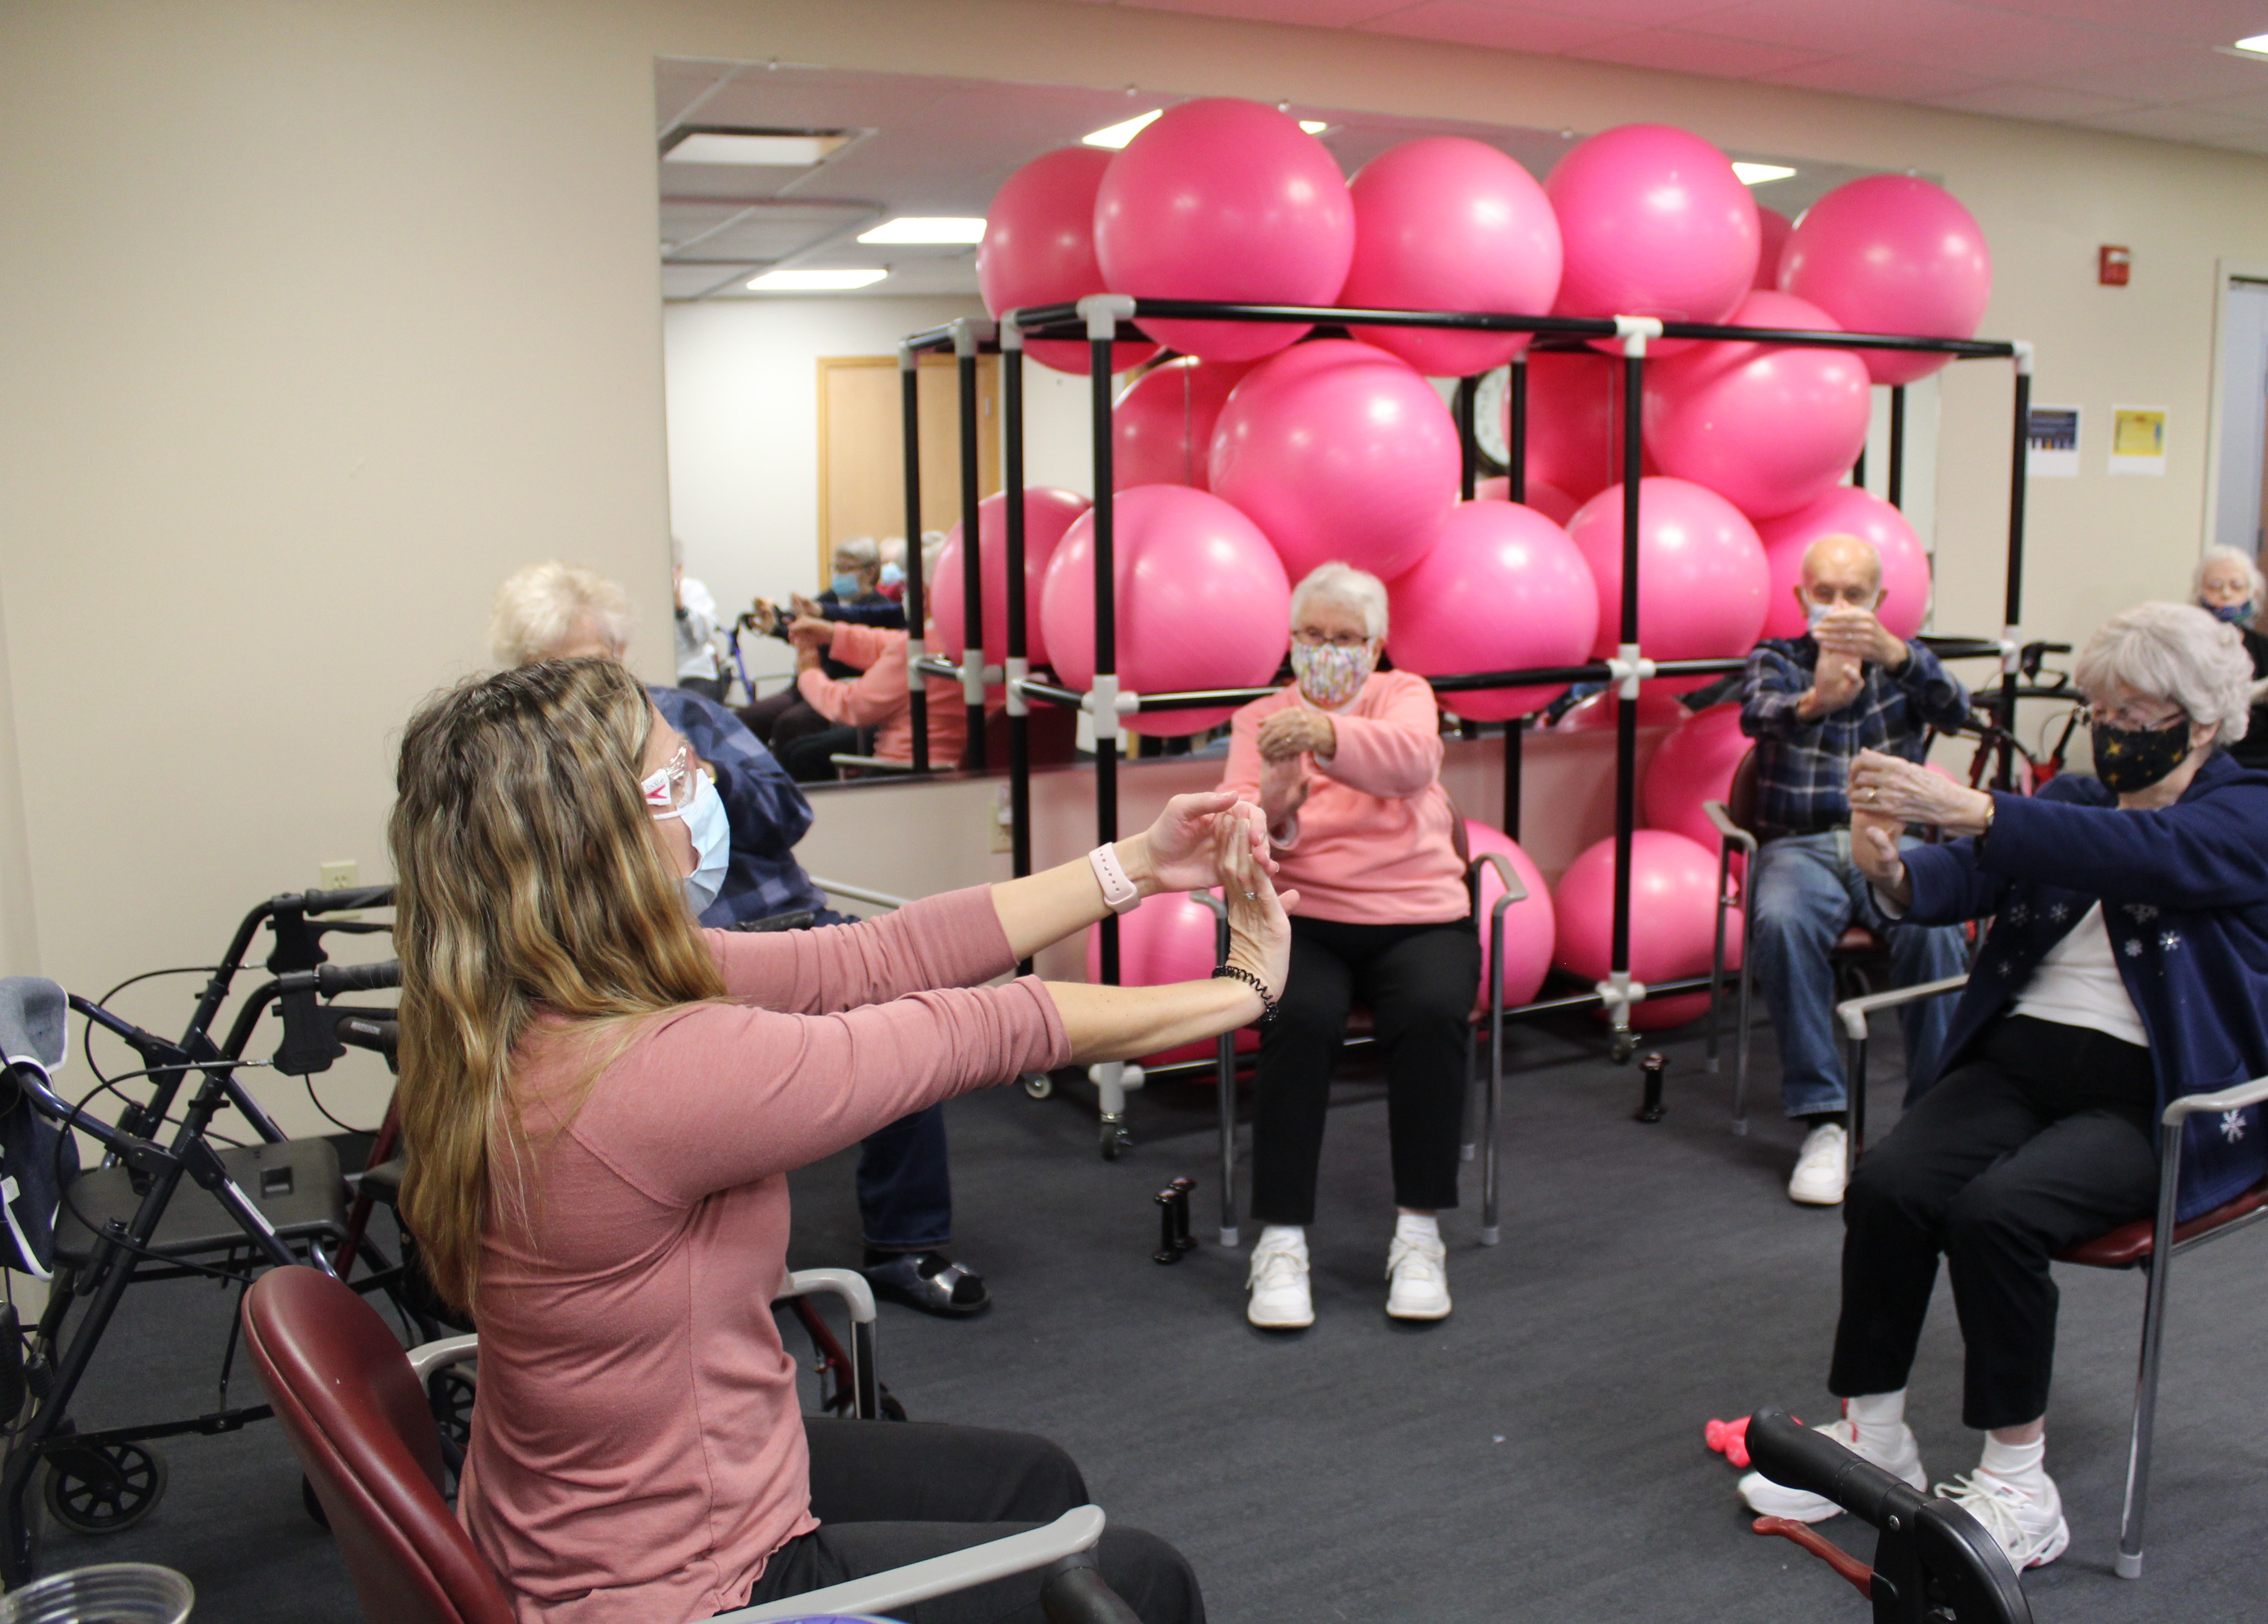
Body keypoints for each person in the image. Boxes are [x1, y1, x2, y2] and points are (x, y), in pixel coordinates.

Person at [392, 656, 1285, 1623]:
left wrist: (1139, 865)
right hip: (683, 1583)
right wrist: (1242, 989)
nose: (705, 792)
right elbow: (979, 1028)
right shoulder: (643, 1071)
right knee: (1140, 1582)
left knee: (1038, 1482)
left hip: (619, 1500)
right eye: (676, 779)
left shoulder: (524, 1000)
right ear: (598, 838)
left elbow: (873, 957)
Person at [1737, 602, 2268, 1572]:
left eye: (2134, 712)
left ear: (2198, 721)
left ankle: (2020, 1485)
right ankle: (1872, 1432)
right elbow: (1962, 876)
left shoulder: (2246, 811)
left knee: (1997, 1215)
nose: (2108, 728)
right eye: (2099, 705)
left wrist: (1980, 811)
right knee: (1890, 1184)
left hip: (2158, 1093)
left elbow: (2146, 858)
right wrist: (1888, 862)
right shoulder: (2072, 792)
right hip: (2021, 1060)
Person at [488, 562, 990, 1317]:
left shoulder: (684, 715)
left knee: (909, 1010)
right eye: (560, 671)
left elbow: (788, 814)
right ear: (527, 673)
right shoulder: (522, 760)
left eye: (601, 666)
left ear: (622, 658)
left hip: (791, 924)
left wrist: (704, 780)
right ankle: (716, 1277)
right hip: (674, 963)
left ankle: (904, 1244)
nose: (590, 688)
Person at [1218, 562, 1479, 1330]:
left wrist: (1327, 734)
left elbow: (1411, 763)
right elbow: (1238, 837)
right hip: (1306, 914)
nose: (1329, 650)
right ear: (1291, 641)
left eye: (1347, 638)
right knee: (1296, 1021)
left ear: (1376, 645)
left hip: (1420, 911)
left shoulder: (1404, 695)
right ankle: (1283, 1238)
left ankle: (1420, 1235)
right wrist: (1277, 805)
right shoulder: (1258, 718)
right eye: (1314, 636)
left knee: (1433, 1015)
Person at [1739, 533, 1973, 1207]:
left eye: (1854, 595)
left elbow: (1957, 711)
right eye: (1826, 594)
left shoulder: (1908, 663)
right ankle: (1825, 1120)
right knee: (1780, 922)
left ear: (1880, 601)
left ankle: (1931, 1114)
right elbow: (1759, 715)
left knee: (1934, 927)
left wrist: (1897, 657)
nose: (1839, 608)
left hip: (1891, 838)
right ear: (1802, 597)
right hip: (1802, 844)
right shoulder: (1779, 658)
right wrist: (1818, 702)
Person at [782, 565, 968, 780]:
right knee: (798, 748)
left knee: (799, 754)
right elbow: (888, 643)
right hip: (961, 768)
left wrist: (809, 673)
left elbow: (851, 706)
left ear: (925, 595)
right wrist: (832, 634)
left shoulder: (918, 647)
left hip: (906, 772)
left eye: (905, 587)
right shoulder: (967, 638)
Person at [743, 537, 894, 747]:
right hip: (803, 687)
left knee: (790, 725)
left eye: (846, 569)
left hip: (839, 689)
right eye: (836, 568)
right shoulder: (829, 598)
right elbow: (803, 627)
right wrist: (775, 624)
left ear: (870, 572)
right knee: (749, 718)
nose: (839, 575)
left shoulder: (879, 610)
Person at [2193, 544, 2268, 769]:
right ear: (2199, 593)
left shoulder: (2264, 647)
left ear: (2252, 594)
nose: (2226, 594)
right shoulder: (2186, 645)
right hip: (2204, 754)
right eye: (2215, 586)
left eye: (2237, 587)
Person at [671, 538, 727, 703]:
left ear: (678, 569)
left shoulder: (694, 589)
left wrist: (681, 609)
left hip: (695, 672)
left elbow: (700, 638)